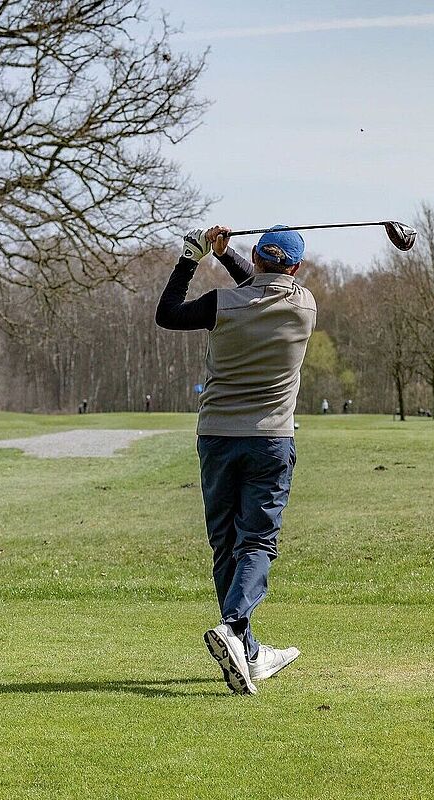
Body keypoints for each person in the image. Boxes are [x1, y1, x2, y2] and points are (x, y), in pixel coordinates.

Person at [155, 224, 316, 695]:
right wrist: (227, 257)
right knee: (257, 541)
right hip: (270, 440)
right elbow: (262, 283)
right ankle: (234, 626)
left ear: (258, 256)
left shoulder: (222, 304)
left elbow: (168, 315)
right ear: (296, 268)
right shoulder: (304, 306)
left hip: (217, 437)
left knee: (225, 543)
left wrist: (194, 256)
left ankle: (248, 652)